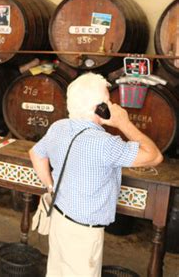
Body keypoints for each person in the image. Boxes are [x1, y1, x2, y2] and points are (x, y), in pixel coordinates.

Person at [29, 72, 163, 277]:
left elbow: (36, 154)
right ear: (100, 108)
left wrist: (50, 186)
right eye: (108, 102)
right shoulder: (104, 144)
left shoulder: (59, 127)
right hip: (84, 233)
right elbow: (154, 156)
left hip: (59, 219)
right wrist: (124, 123)